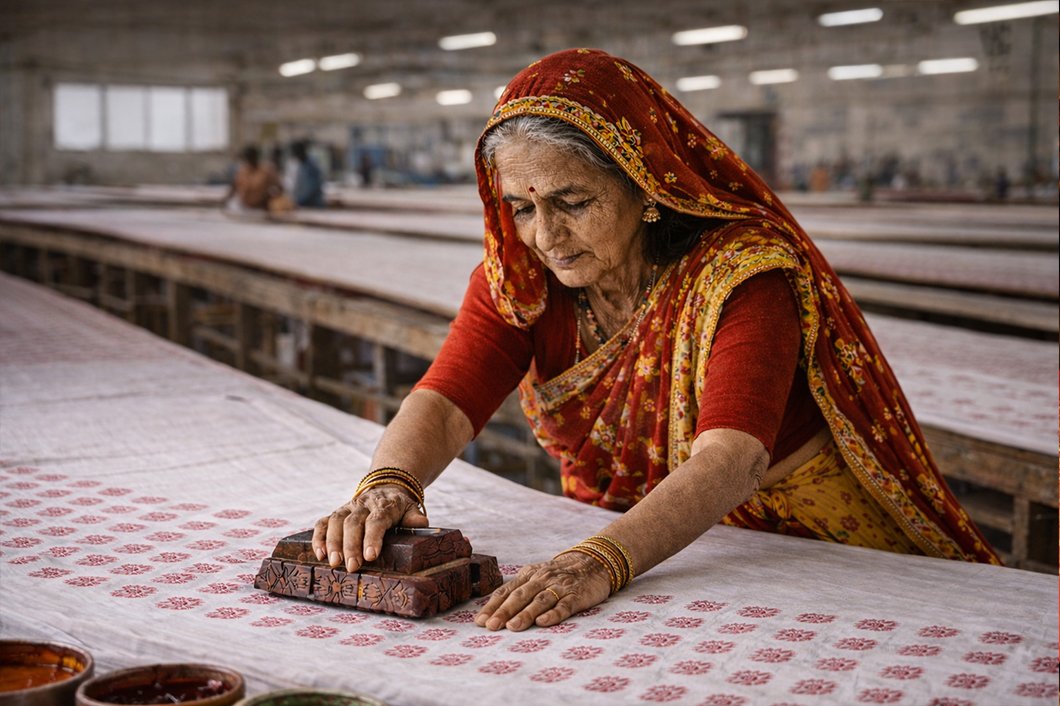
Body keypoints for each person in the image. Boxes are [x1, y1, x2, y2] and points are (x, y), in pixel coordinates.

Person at [312, 49, 1000, 632]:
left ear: (647, 185)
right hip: (661, 549)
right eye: (520, 208)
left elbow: (730, 461)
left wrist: (601, 562)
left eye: (572, 202)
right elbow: (445, 399)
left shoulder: (741, 276)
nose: (545, 235)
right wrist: (388, 482)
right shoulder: (523, 279)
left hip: (818, 555)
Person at [221, 144, 285, 212]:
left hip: (261, 208)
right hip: (244, 208)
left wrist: (271, 197)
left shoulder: (266, 171)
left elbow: (280, 187)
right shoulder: (242, 172)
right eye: (248, 157)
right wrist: (225, 201)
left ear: (256, 156)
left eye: (252, 157)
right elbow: (233, 188)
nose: (250, 160)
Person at [290, 140, 327, 208]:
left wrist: (299, 200)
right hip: (305, 204)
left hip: (314, 204)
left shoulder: (312, 166)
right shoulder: (301, 165)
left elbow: (312, 188)